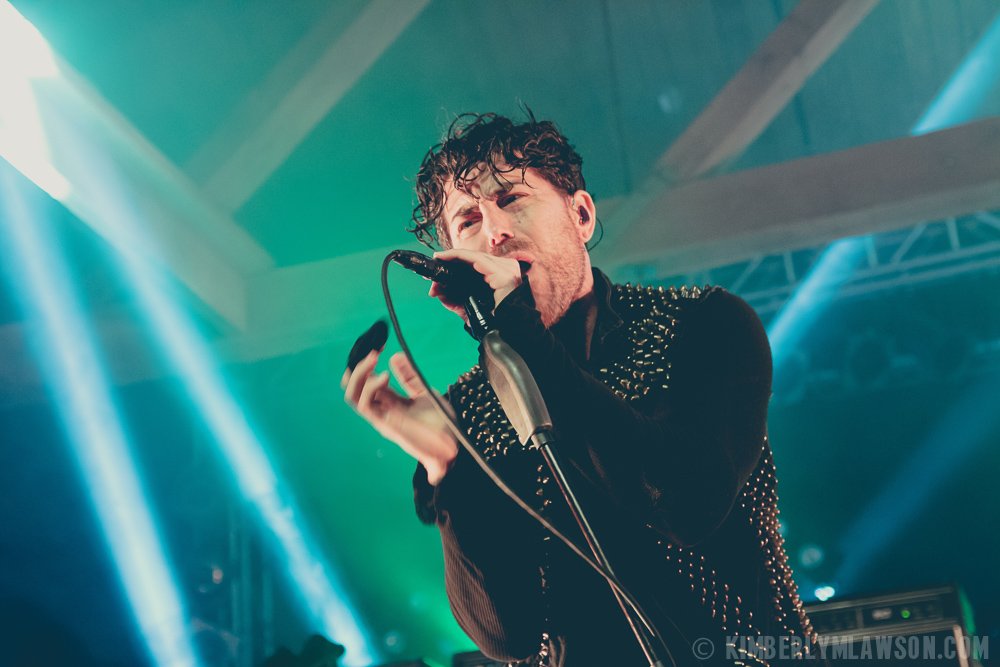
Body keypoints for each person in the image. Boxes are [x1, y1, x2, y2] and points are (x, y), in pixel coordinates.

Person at [342, 112, 816, 666]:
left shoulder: (698, 324)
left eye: (512, 199)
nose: (495, 231)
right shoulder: (470, 408)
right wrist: (448, 467)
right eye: (468, 220)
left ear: (582, 215)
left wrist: (521, 330)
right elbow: (508, 637)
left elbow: (687, 504)